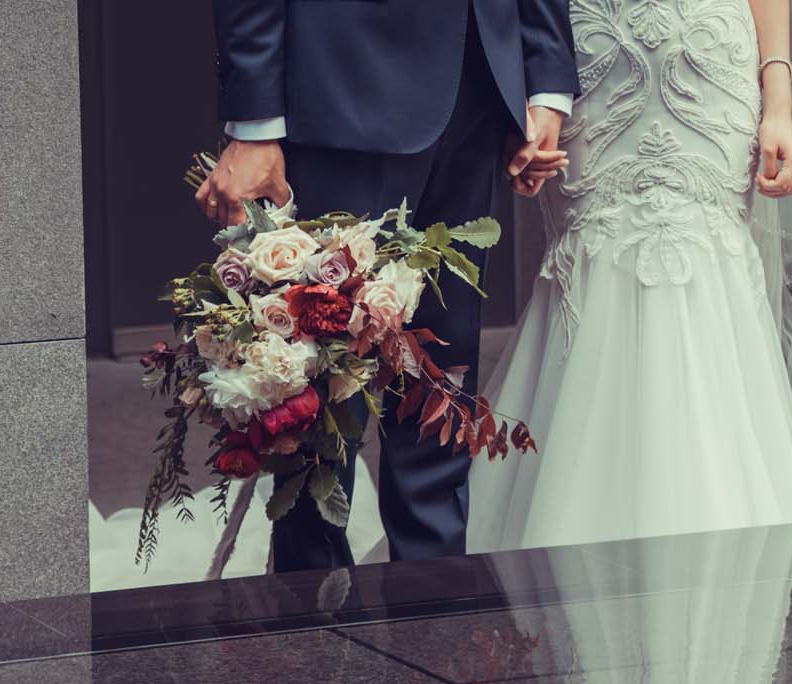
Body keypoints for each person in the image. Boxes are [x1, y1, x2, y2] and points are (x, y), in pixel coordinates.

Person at [198, 0, 580, 572]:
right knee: (317, 387)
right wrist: (254, 121)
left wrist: (545, 77)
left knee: (441, 381)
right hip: (344, 84)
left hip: (480, 84)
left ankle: (434, 602)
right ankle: (313, 619)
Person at [467, 0, 792, 553]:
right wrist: (528, 91)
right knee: (594, 264)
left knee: (707, 268)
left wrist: (779, 102)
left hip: (708, 54)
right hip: (592, 54)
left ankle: (723, 555)